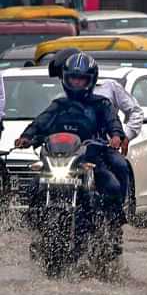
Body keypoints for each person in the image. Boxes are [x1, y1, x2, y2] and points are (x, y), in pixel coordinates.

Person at [15, 53, 128, 245]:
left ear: (91, 79)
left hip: (91, 157)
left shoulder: (101, 103)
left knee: (116, 176)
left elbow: (113, 121)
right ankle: (35, 226)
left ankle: (114, 224)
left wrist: (116, 136)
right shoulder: (59, 104)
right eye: (73, 78)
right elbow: (41, 121)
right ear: (65, 79)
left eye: (81, 78)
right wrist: (26, 136)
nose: (76, 83)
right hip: (60, 158)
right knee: (34, 185)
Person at [47, 47, 141, 210]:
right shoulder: (59, 99)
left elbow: (133, 112)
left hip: (100, 147)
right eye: (68, 76)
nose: (74, 81)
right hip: (70, 151)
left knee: (120, 165)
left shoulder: (108, 89)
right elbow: (47, 122)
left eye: (79, 77)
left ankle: (118, 208)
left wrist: (123, 136)